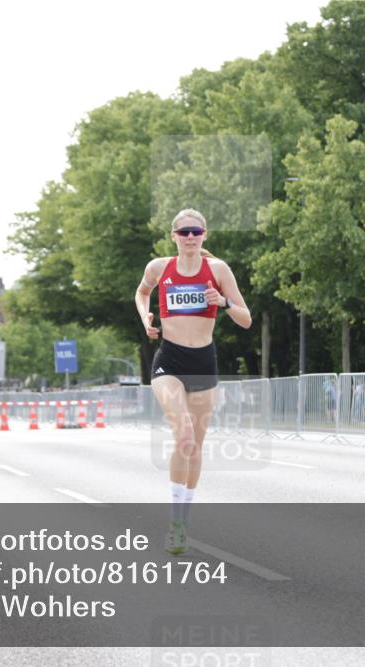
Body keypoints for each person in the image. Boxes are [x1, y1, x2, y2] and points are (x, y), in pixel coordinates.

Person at [134, 208, 251, 555]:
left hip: (203, 362)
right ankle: (173, 523)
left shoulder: (218, 270)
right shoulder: (159, 268)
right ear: (173, 236)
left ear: (204, 235)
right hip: (168, 360)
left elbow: (245, 319)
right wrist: (146, 319)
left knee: (193, 447)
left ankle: (183, 521)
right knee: (182, 432)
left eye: (195, 231)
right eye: (183, 231)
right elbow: (141, 293)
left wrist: (224, 301)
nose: (189, 236)